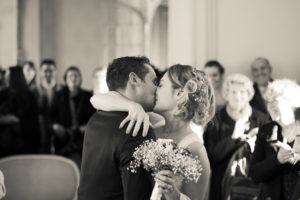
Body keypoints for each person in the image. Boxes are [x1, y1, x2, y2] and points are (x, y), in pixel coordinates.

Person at [90, 64, 214, 200]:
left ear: (179, 94)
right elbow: (97, 100)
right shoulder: (149, 121)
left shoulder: (196, 150)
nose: (154, 90)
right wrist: (131, 105)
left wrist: (173, 194)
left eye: (160, 85)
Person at [77, 56, 157, 200]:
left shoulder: (96, 118)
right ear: (134, 79)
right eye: (154, 81)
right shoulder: (137, 128)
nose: (156, 89)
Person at [203, 74, 269, 200]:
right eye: (233, 92)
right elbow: (210, 158)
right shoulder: (215, 119)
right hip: (221, 186)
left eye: (242, 91)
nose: (238, 96)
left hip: (251, 186)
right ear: (226, 94)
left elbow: (267, 158)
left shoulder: (262, 119)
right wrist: (234, 137)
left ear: (249, 94)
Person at [249, 79, 300, 200]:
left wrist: (295, 159)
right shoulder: (266, 131)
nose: (271, 105)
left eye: (276, 100)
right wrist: (277, 160)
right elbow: (255, 174)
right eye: (269, 101)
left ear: (292, 104)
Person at [51, 66, 95, 167]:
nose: (74, 78)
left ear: (81, 79)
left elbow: (94, 117)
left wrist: (87, 126)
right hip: (63, 137)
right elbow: (51, 115)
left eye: (76, 76)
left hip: (82, 137)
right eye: (70, 76)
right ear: (66, 80)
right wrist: (55, 126)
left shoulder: (88, 95)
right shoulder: (58, 95)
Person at [0, 66, 40, 157]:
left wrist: (17, 121)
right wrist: (7, 119)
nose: (3, 78)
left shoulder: (29, 96)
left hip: (25, 142)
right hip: (4, 145)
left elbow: (34, 122)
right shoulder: (2, 94)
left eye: (6, 75)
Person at [38, 59, 61, 153]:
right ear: (40, 72)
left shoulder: (62, 89)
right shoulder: (34, 91)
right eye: (45, 71)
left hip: (59, 130)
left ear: (55, 72)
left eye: (50, 71)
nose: (48, 74)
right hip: (41, 132)